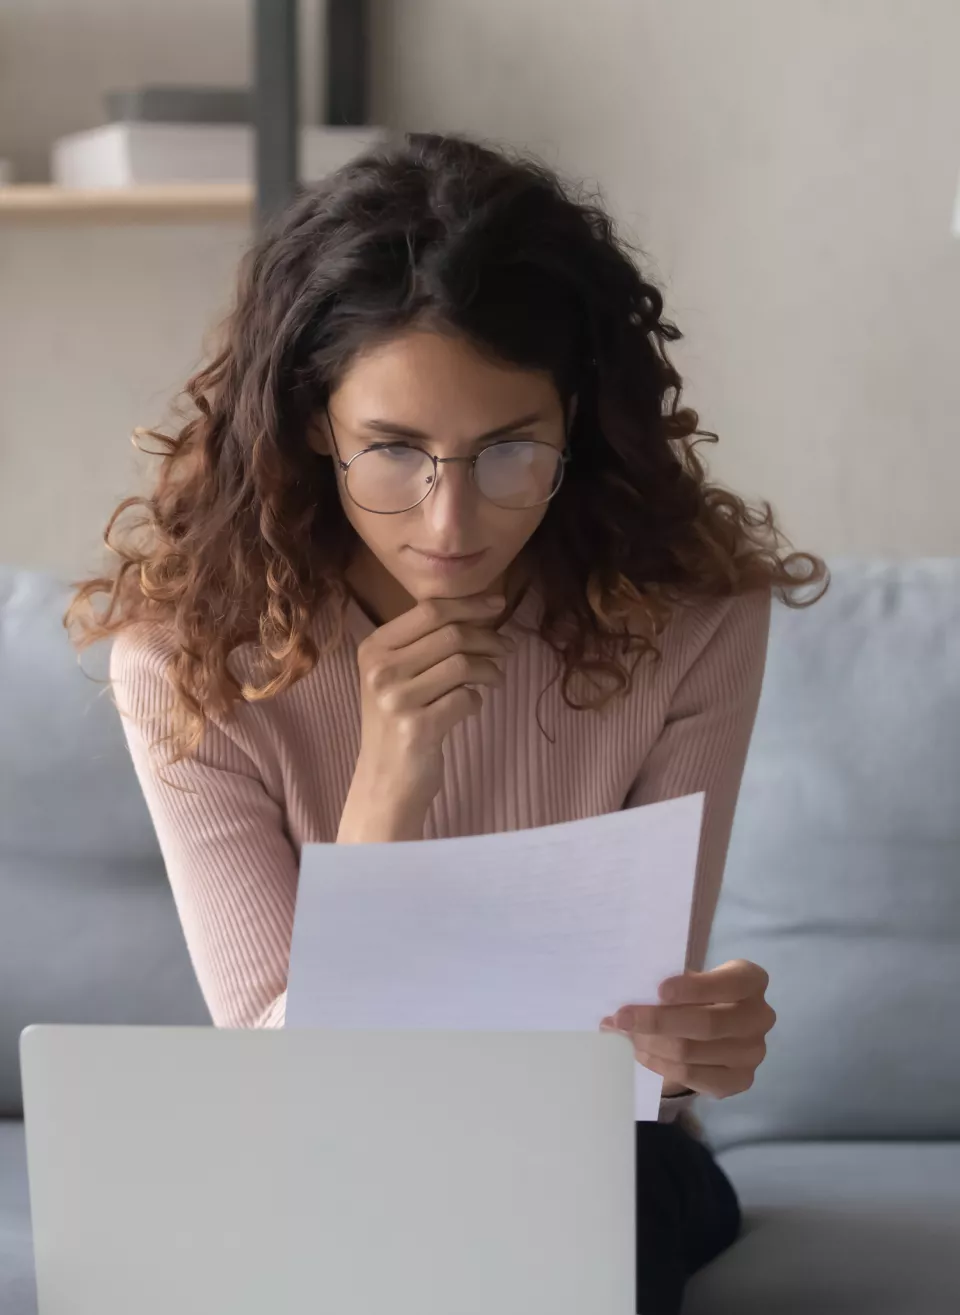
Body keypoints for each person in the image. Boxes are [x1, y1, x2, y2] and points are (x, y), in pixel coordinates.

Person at [69, 132, 825, 1314]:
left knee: (570, 1215)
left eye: (510, 449)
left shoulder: (693, 620)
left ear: (577, 418)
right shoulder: (186, 662)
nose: (452, 519)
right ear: (317, 422)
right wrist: (385, 795)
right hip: (319, 1146)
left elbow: (635, 1069)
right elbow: (285, 1087)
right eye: (396, 449)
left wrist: (692, 1046)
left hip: (587, 1159)